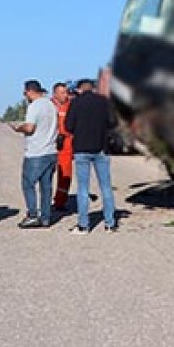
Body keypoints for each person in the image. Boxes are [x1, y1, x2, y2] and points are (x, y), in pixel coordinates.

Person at [65, 79, 118, 233]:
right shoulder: (104, 102)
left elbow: (68, 126)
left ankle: (83, 225)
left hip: (82, 149)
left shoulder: (76, 103)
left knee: (83, 188)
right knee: (106, 187)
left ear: (80, 89)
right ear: (93, 89)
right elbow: (113, 122)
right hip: (101, 148)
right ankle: (110, 223)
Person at [8, 79, 57, 228]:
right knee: (46, 186)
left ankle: (33, 215)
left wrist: (18, 128)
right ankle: (46, 217)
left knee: (28, 184)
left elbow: (30, 128)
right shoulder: (50, 104)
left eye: (25, 93)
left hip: (36, 152)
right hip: (51, 150)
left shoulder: (34, 106)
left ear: (29, 91)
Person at [51, 82, 74, 212]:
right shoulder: (48, 105)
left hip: (66, 143)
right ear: (55, 93)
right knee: (46, 173)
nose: (65, 95)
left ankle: (60, 201)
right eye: (62, 93)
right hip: (50, 143)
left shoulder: (70, 106)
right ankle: (44, 202)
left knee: (65, 174)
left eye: (66, 92)